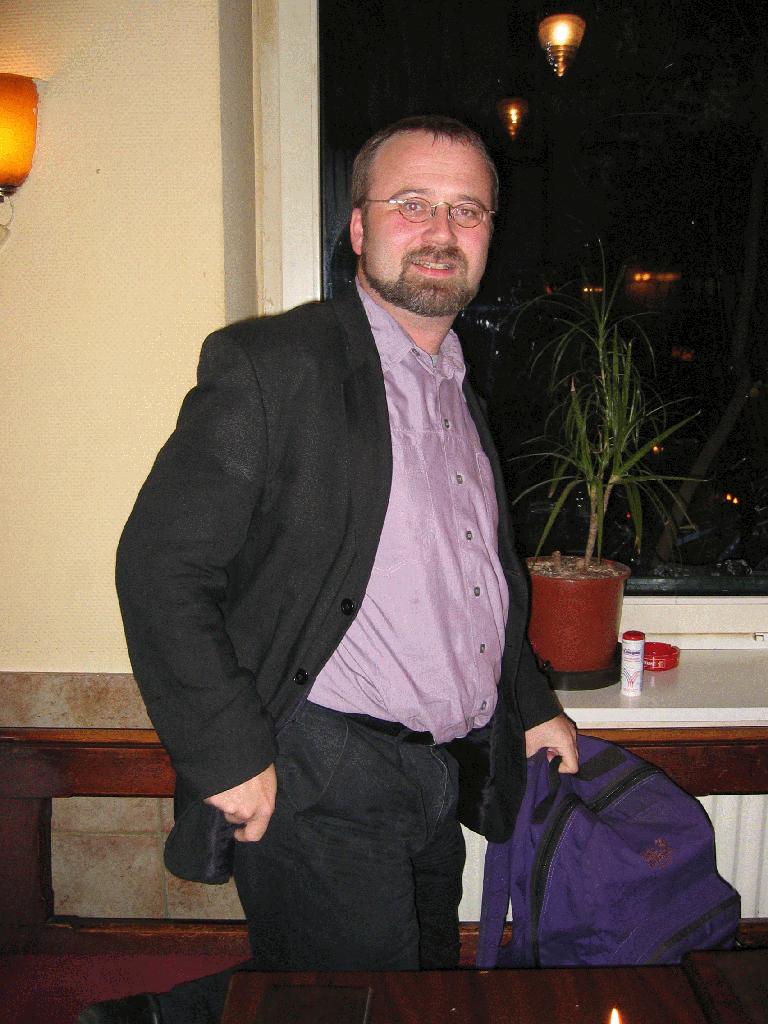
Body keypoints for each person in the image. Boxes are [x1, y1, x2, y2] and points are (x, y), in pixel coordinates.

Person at [87, 115, 578, 1024]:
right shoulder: (277, 368)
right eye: (412, 204)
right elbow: (160, 567)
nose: (441, 231)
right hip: (321, 768)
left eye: (467, 211)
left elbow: (471, 579)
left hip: (436, 773)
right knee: (360, 1004)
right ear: (358, 227)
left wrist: (531, 700)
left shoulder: (456, 386)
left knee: (412, 986)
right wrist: (226, 751)